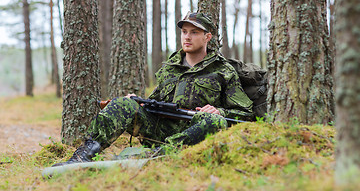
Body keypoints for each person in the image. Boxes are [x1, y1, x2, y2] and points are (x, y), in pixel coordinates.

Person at [53, 12, 254, 166]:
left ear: (207, 37)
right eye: (184, 32)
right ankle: (83, 156)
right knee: (124, 103)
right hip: (161, 130)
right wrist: (139, 102)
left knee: (214, 120)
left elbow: (245, 113)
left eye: (194, 32)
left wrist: (220, 111)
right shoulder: (169, 68)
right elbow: (156, 101)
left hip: (195, 133)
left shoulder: (223, 70)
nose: (187, 37)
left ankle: (159, 156)